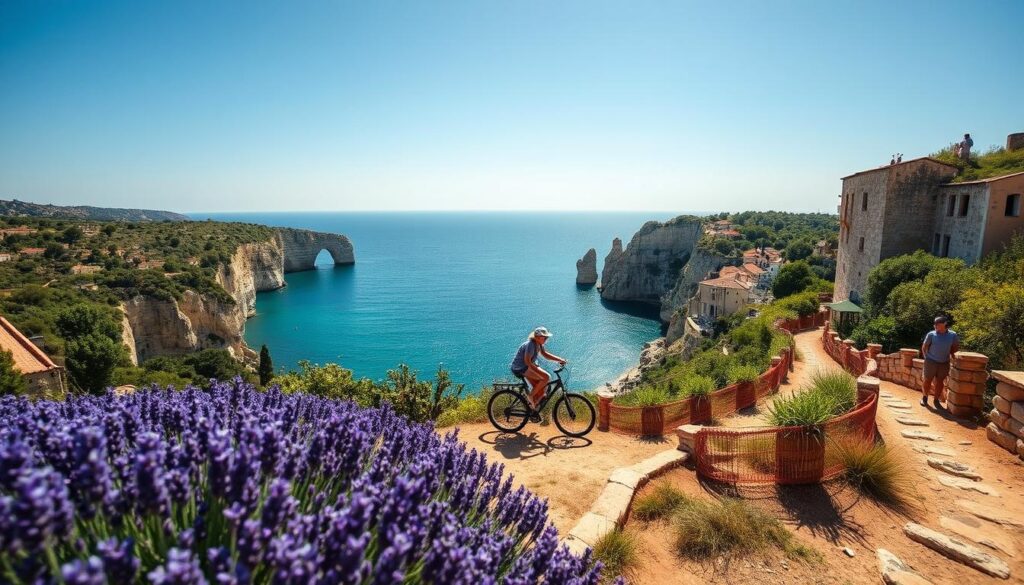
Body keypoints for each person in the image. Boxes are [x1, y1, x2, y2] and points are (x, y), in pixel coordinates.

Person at [510, 326, 566, 410]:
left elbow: (545, 354)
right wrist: (538, 371)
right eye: (544, 337)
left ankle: (532, 409)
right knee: (546, 377)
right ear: (536, 337)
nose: (546, 339)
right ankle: (530, 396)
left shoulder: (538, 344)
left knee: (542, 389)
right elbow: (527, 361)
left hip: (528, 366)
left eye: (546, 337)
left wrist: (560, 359)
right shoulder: (530, 345)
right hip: (520, 367)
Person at [920, 315, 960, 408]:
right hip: (931, 361)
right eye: (935, 324)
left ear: (944, 324)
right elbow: (924, 346)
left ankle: (936, 399)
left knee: (940, 381)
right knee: (927, 380)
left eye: (937, 324)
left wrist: (953, 356)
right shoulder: (931, 334)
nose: (935, 325)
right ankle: (924, 397)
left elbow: (955, 347)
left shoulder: (952, 335)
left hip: (944, 362)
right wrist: (926, 357)